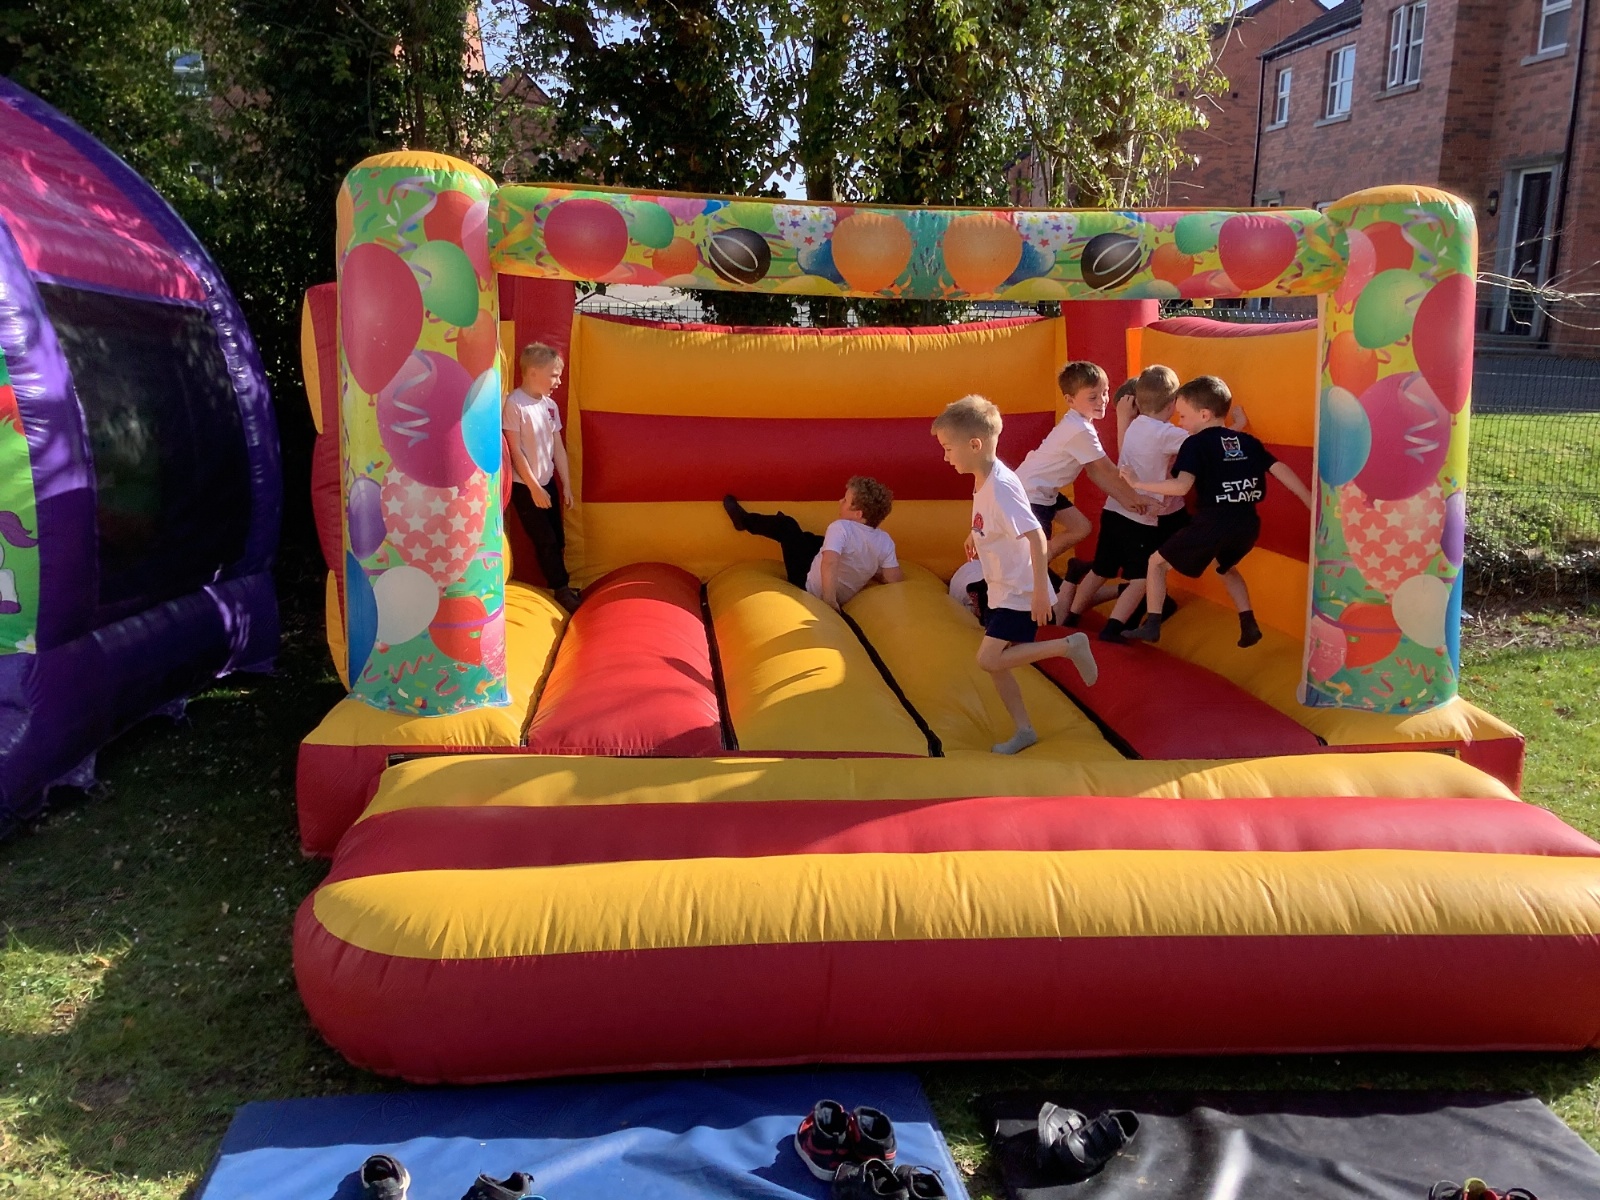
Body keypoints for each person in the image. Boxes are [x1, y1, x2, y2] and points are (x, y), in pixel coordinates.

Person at [931, 395, 1098, 756]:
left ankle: (1069, 646)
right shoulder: (983, 477)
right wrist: (974, 534)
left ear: (975, 445)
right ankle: (1024, 729)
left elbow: (1036, 535)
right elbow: (990, 518)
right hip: (1001, 587)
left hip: (1020, 590)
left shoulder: (1002, 486)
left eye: (948, 449)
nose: (945, 457)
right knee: (998, 666)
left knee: (988, 659)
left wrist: (1039, 591)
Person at [1121, 375, 1312, 648]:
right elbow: (1280, 470)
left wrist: (1137, 484)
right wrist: (1309, 500)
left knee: (1156, 563)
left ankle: (1152, 624)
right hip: (1247, 525)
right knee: (1225, 567)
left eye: (1183, 416)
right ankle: (1248, 623)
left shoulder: (1194, 444)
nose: (1180, 423)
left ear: (1204, 414)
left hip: (1212, 523)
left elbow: (1181, 486)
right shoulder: (1247, 442)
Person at [1066, 365, 1190, 641]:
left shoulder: (1134, 428)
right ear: (1173, 403)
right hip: (1140, 517)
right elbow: (1202, 444)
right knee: (1141, 578)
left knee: (1100, 569)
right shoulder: (1167, 433)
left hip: (1114, 510)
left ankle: (1072, 616)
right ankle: (1113, 628)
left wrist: (1124, 417)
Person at [723, 476, 904, 610]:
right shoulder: (885, 541)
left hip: (807, 584)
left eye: (845, 501)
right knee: (815, 540)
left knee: (787, 526)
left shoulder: (841, 527)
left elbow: (830, 562)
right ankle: (799, 536)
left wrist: (829, 600)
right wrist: (871, 568)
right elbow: (893, 579)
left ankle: (743, 520)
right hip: (836, 583)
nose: (840, 501)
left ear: (858, 514)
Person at [502, 342, 581, 612]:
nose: (558, 381)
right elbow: (515, 450)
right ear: (533, 372)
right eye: (554, 375)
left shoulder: (549, 406)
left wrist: (566, 484)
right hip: (525, 486)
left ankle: (562, 584)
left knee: (557, 537)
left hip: (547, 482)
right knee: (545, 540)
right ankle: (561, 588)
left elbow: (557, 446)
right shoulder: (515, 404)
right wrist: (534, 488)